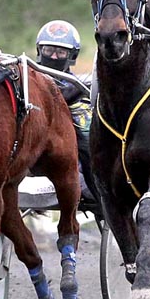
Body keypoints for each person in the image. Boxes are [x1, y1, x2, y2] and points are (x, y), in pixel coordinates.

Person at [34, 20, 96, 203]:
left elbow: (89, 145)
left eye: (60, 52)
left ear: (72, 55)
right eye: (48, 51)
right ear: (39, 51)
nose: (53, 57)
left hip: (74, 172)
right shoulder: (26, 80)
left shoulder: (78, 93)